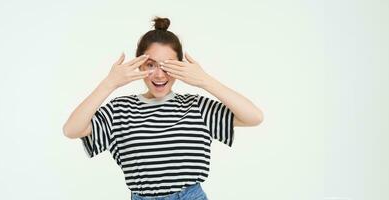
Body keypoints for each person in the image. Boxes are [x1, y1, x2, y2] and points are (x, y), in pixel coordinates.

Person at [63, 16, 264, 200]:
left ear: (181, 67)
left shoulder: (196, 107)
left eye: (168, 65)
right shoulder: (120, 110)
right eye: (150, 65)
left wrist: (205, 81)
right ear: (139, 65)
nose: (160, 75)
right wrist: (109, 83)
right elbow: (72, 130)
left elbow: (253, 117)